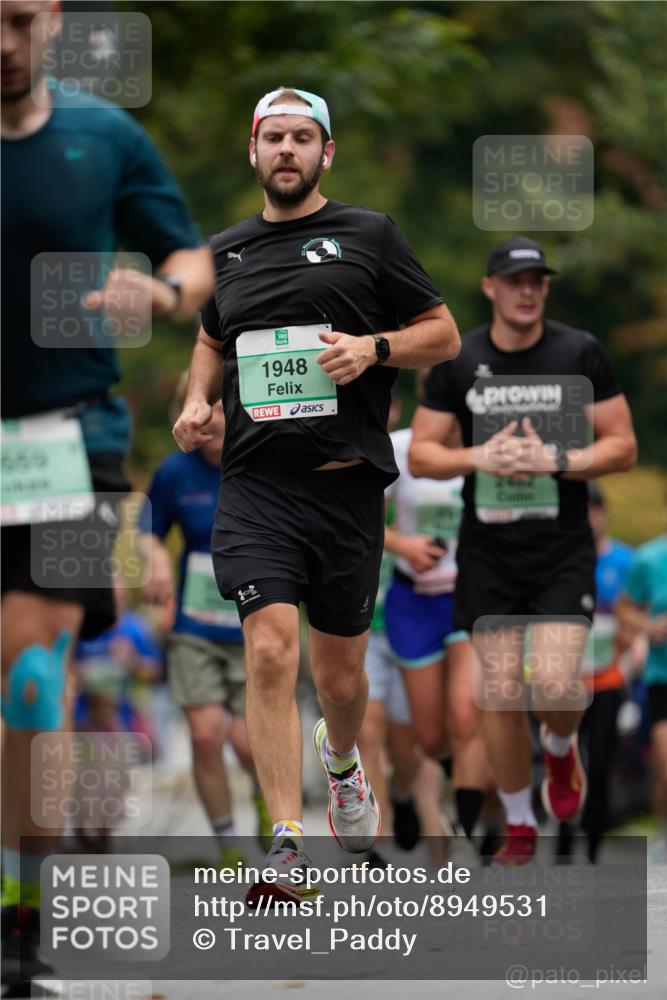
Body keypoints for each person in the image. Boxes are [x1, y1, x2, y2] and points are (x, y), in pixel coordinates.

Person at [173, 86, 460, 904]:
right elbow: (209, 336)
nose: (288, 150)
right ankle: (285, 843)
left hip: (344, 494)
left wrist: (374, 348)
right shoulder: (226, 251)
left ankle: (341, 761)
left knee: (338, 680)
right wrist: (199, 401)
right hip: (257, 488)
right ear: (253, 151)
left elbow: (440, 333)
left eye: (304, 137)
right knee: (268, 649)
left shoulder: (369, 235)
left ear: (325, 152)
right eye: (275, 138)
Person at [0, 0, 213, 987]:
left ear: (50, 20)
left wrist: (161, 294)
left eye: (15, 20)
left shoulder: (102, 133)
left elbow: (192, 258)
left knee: (31, 684)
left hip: (68, 439)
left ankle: (21, 909)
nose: (1, 44)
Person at [409, 235, 637, 864]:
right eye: (515, 280)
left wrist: (558, 459)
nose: (528, 290)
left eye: (538, 280)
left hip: (562, 545)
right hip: (488, 548)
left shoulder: (579, 352)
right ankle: (517, 821)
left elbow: (622, 446)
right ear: (490, 288)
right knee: (501, 692)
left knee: (559, 684)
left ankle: (560, 753)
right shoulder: (461, 360)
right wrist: (478, 456)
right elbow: (423, 454)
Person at [138, 391, 271, 871]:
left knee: (244, 739)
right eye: (203, 408)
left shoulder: (261, 459)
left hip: (253, 622)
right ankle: (228, 843)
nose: (213, 419)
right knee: (205, 734)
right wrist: (154, 563)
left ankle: (264, 797)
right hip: (194, 625)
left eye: (222, 406)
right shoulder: (175, 472)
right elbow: (148, 528)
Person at [557, 482, 635, 862]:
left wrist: (628, 668)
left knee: (600, 765)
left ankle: (593, 848)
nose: (589, 518)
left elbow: (635, 619)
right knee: (565, 761)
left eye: (594, 510)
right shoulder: (559, 559)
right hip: (565, 683)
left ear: (603, 514)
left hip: (608, 681)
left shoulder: (625, 561)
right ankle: (562, 844)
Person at [617, 525, 667, 862]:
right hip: (662, 676)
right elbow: (624, 608)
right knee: (665, 765)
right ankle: (665, 830)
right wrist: (648, 626)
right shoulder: (649, 558)